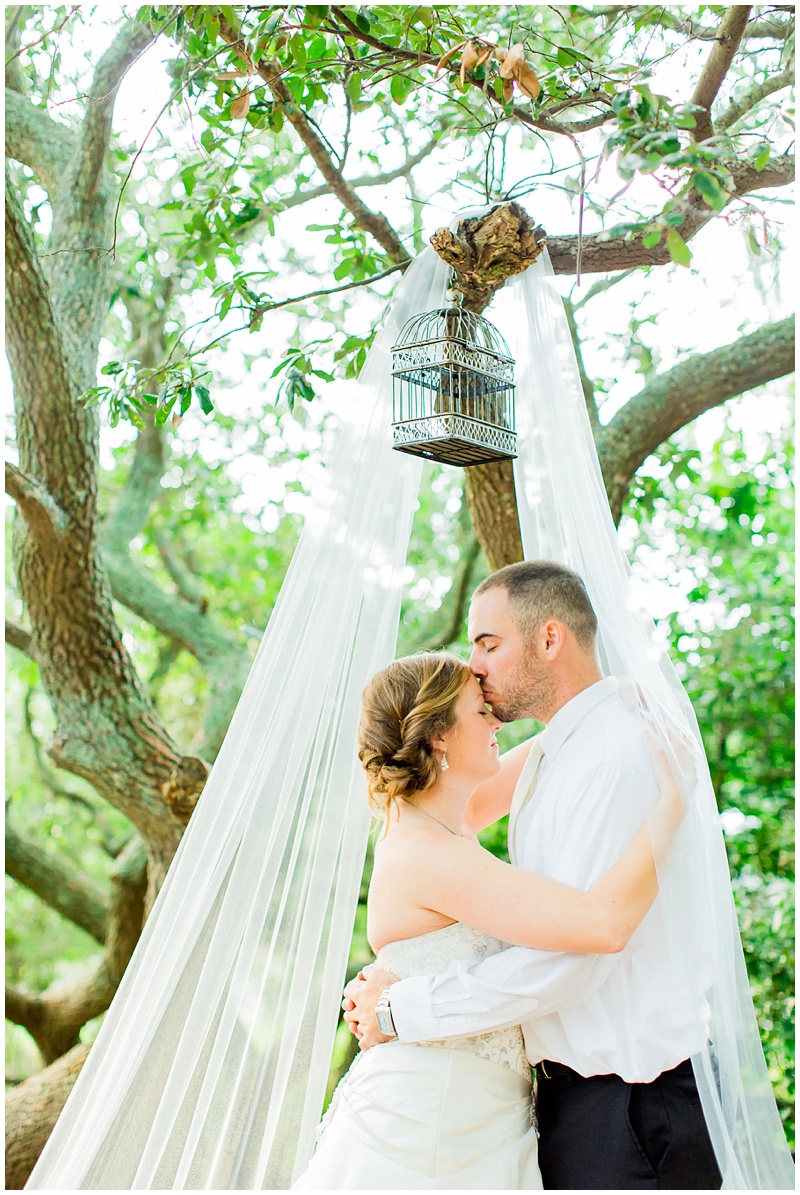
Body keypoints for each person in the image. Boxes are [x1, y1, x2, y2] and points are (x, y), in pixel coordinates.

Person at [344, 560, 723, 1191]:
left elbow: (585, 944)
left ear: (549, 639)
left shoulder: (605, 758)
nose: (481, 676)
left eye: (488, 645)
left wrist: (401, 1004)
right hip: (503, 1112)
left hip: (627, 1106)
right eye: (476, 708)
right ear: (439, 740)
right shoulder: (463, 815)